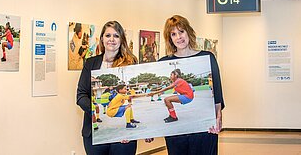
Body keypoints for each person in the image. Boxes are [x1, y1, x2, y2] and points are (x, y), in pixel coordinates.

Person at [77, 21, 153, 155]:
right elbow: (81, 95)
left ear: (122, 39)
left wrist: (145, 131)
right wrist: (95, 109)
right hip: (94, 135)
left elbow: (134, 102)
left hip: (124, 138)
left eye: (116, 36)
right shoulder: (91, 63)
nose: (111, 39)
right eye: (108, 35)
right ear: (102, 38)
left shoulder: (131, 63)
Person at [158, 15, 225, 155]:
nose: (179, 37)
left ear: (188, 32)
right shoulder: (163, 62)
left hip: (204, 129)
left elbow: (217, 91)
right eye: (173, 34)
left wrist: (218, 116)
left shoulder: (207, 57)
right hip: (176, 133)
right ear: (170, 38)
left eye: (181, 31)